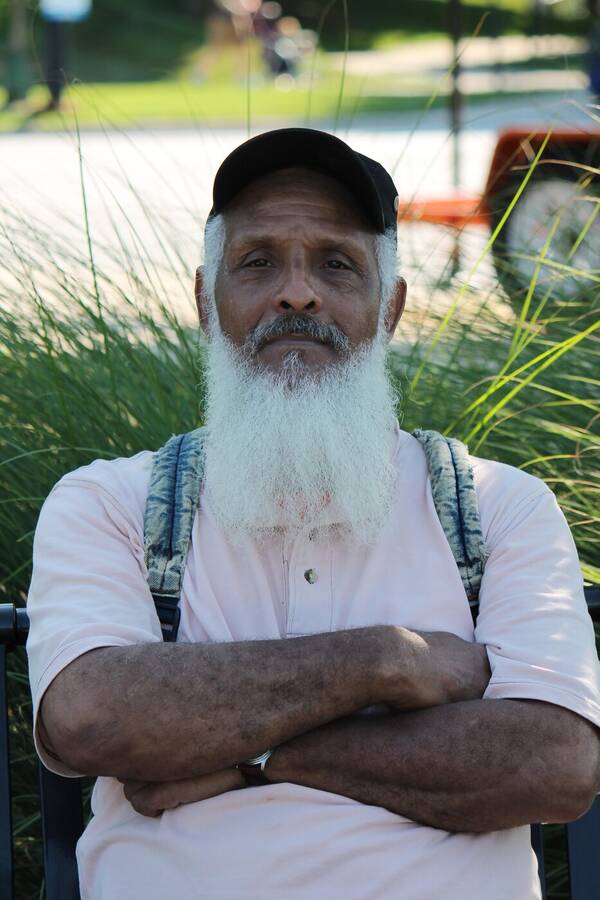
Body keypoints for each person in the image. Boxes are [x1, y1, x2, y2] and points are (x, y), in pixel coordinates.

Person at [26, 128, 600, 900]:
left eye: (337, 264)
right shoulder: (112, 503)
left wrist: (250, 757)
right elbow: (91, 718)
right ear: (204, 299)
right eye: (258, 262)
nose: (298, 293)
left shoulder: (498, 509)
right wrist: (386, 661)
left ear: (390, 308)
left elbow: (554, 765)